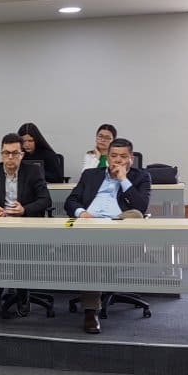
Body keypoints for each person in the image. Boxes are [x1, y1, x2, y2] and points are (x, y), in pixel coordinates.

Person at [64, 138, 151, 334]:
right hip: (89, 228)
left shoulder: (141, 177)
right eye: (113, 156)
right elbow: (71, 201)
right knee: (89, 248)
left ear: (131, 159)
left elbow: (141, 207)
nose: (117, 160)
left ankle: (91, 310)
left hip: (119, 234)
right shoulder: (90, 175)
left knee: (135, 215)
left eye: (123, 156)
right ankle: (91, 311)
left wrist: (123, 180)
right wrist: (81, 213)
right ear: (107, 157)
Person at [0, 133, 52, 318]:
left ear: (22, 154)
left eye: (14, 153)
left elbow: (45, 200)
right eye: (6, 153)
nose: (10, 157)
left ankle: (22, 293)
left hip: (25, 227)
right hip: (0, 226)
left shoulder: (33, 171)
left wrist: (24, 209)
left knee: (21, 253)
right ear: (1, 153)